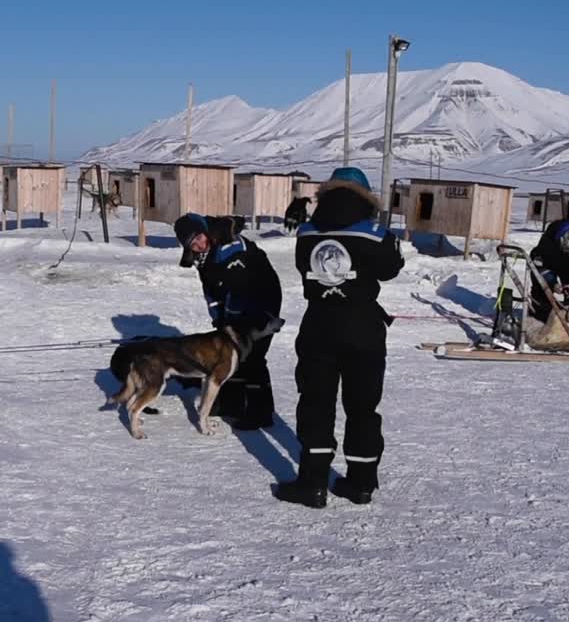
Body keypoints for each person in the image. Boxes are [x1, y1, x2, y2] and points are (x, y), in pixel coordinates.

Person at [274, 167, 404, 508]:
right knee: (363, 407)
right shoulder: (377, 234)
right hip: (363, 328)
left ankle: (312, 484)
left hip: (319, 326)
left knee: (316, 404)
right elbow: (391, 269)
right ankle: (361, 483)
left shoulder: (306, 232)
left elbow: (306, 268)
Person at [172, 213, 283, 430]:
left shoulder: (230, 245)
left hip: (262, 301)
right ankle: (231, 404)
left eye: (199, 237)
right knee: (229, 354)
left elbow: (238, 287)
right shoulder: (203, 257)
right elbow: (212, 291)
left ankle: (260, 413)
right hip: (236, 305)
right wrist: (218, 319)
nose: (198, 245)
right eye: (192, 244)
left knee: (253, 356)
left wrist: (230, 321)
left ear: (206, 231)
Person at [528, 219, 569, 322]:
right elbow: (540, 265)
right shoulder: (548, 241)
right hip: (549, 262)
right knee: (542, 286)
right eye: (568, 252)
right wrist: (552, 283)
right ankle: (540, 315)